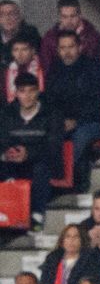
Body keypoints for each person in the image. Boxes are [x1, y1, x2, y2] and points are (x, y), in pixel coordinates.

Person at [43, 30, 100, 189]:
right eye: (62, 48)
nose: (67, 52)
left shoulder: (94, 68)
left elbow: (99, 103)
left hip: (93, 122)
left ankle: (64, 182)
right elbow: (50, 102)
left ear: (80, 47)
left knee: (80, 136)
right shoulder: (54, 70)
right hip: (62, 122)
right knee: (47, 136)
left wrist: (77, 121)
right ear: (57, 50)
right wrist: (60, 122)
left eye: (71, 47)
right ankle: (50, 180)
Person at [0, 72, 60, 228]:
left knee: (41, 167)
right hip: (13, 163)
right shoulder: (7, 114)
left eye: (31, 91)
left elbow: (53, 147)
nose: (27, 96)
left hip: (40, 163)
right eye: (22, 91)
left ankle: (37, 215)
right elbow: (3, 139)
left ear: (38, 91)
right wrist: (8, 151)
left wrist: (28, 153)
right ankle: (7, 211)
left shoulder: (51, 114)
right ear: (16, 93)